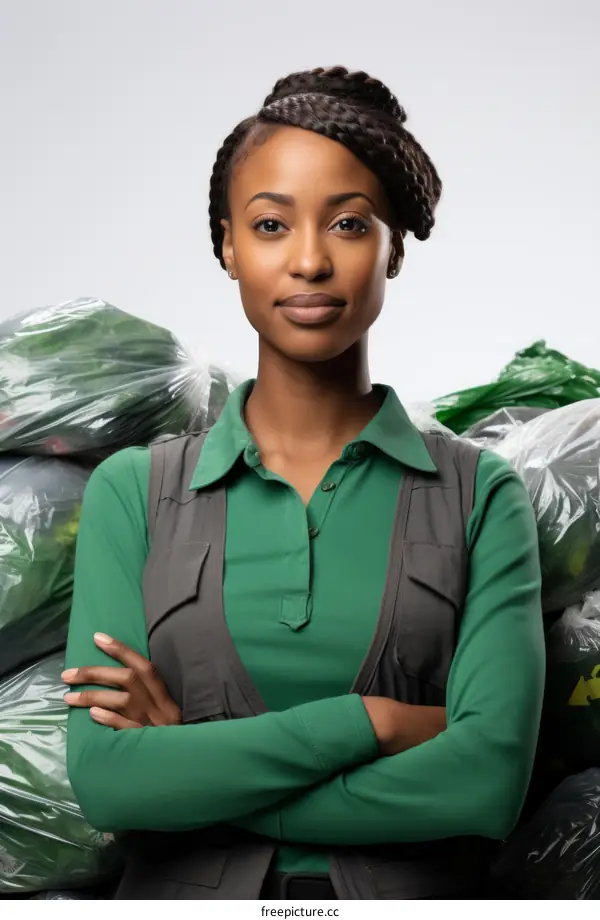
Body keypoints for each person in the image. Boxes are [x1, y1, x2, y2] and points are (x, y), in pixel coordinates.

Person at [63, 66, 545, 900]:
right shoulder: (134, 493)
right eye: (271, 225)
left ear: (394, 247)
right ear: (227, 245)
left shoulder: (480, 495)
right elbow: (109, 784)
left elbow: (487, 784)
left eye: (351, 224)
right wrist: (375, 723)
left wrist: (191, 777)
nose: (311, 260)